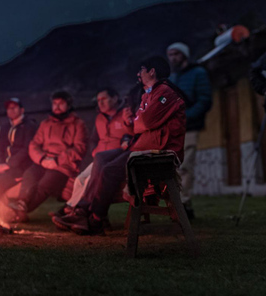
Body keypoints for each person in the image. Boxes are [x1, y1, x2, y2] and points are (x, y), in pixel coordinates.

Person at [54, 57, 187, 235]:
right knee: (100, 157)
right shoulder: (148, 93)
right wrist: (133, 122)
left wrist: (137, 121)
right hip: (142, 145)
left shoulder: (165, 92)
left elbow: (145, 121)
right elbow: (136, 125)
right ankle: (83, 210)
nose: (138, 74)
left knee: (109, 170)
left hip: (157, 150)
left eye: (142, 69)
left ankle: (96, 219)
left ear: (152, 71)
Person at [2, 91, 87, 224]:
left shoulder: (77, 124)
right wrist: (42, 159)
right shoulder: (46, 123)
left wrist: (57, 160)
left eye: (61, 103)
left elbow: (80, 148)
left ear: (68, 105)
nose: (57, 106)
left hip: (63, 166)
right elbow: (34, 144)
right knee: (29, 174)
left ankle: (19, 212)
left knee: (44, 185)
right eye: (55, 103)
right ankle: (21, 203)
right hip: (44, 162)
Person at [50, 87, 133, 220]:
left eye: (104, 99)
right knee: (80, 179)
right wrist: (94, 150)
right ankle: (70, 207)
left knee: (89, 181)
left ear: (115, 98)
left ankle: (78, 211)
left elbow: (132, 135)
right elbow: (94, 139)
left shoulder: (126, 114)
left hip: (116, 159)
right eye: (98, 100)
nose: (100, 103)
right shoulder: (100, 118)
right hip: (100, 158)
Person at [167, 42, 211, 219]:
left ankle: (183, 204)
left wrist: (186, 117)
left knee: (185, 166)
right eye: (170, 54)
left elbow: (205, 100)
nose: (173, 58)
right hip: (173, 129)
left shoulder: (198, 73)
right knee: (174, 168)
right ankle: (181, 204)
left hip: (190, 127)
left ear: (184, 55)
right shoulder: (172, 77)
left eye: (176, 54)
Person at [0, 98, 38, 224]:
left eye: (14, 107)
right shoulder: (5, 127)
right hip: (3, 167)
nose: (11, 110)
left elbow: (26, 149)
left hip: (20, 167)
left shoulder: (29, 126)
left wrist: (9, 164)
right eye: (9, 108)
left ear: (22, 110)